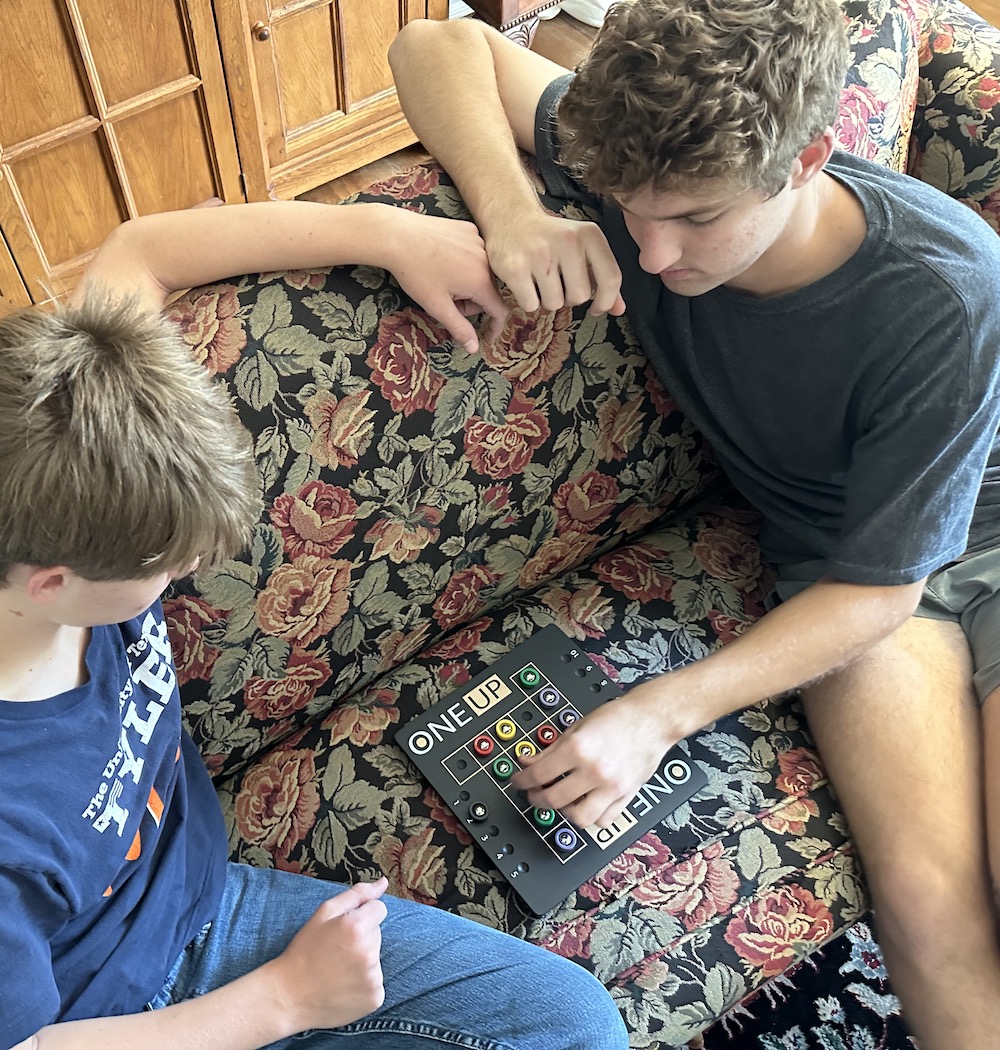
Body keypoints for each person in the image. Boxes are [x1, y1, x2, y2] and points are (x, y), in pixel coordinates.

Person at [0, 198, 630, 1050]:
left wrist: (390, 234)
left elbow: (142, 250)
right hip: (123, 1012)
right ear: (52, 582)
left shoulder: (14, 470)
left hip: (209, 902)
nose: (186, 575)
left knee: (573, 1023)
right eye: (161, 570)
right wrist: (285, 999)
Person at [388, 1, 1000, 1045]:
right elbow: (432, 42)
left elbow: (887, 588)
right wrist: (513, 211)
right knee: (924, 908)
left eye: (697, 218)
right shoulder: (645, 147)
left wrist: (655, 712)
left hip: (951, 551)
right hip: (838, 568)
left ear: (806, 157)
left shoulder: (948, 288)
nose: (655, 252)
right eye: (630, 207)